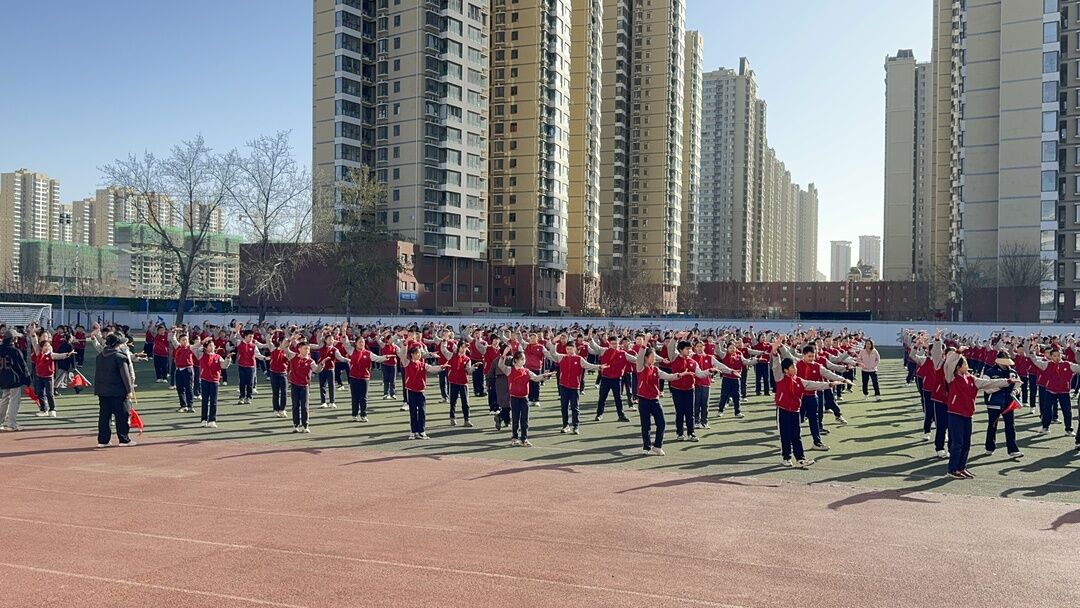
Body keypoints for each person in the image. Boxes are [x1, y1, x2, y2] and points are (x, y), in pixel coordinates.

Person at [944, 353, 1013, 479]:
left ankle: (961, 467)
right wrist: (958, 352)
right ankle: (952, 469)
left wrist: (1008, 381)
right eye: (964, 363)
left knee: (966, 443)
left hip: (968, 414)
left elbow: (990, 383)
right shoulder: (952, 378)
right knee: (957, 443)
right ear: (958, 367)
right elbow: (948, 364)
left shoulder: (972, 379)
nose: (967, 365)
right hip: (955, 414)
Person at [771, 352, 841, 468]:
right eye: (792, 367)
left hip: (795, 411)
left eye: (795, 366)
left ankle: (800, 459)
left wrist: (829, 384)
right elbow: (776, 365)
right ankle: (786, 458)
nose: (795, 369)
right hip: (783, 411)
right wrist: (775, 352)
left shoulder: (799, 381)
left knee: (797, 436)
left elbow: (814, 384)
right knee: (785, 435)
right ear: (785, 370)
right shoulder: (780, 378)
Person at [624, 346, 692, 456]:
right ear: (646, 358)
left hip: (655, 400)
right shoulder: (640, 368)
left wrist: (681, 375)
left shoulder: (656, 369)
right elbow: (640, 356)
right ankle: (646, 447)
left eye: (655, 357)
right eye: (652, 356)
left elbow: (668, 376)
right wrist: (644, 343)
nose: (654, 359)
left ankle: (657, 446)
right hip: (644, 400)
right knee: (646, 425)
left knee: (662, 423)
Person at [546, 341, 604, 434]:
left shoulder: (579, 359)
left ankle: (576, 426)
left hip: (574, 387)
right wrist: (553, 344)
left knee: (575, 407)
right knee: (564, 407)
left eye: (571, 349)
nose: (569, 351)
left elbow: (589, 366)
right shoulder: (562, 357)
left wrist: (600, 367)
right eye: (567, 349)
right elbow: (553, 353)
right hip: (563, 386)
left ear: (575, 349)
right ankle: (565, 425)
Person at [498, 351, 554, 446]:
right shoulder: (509, 370)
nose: (524, 361)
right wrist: (503, 355)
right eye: (522, 359)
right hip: (514, 398)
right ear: (516, 360)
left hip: (524, 398)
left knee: (525, 419)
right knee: (515, 419)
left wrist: (545, 376)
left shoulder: (527, 371)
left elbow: (536, 378)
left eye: (524, 359)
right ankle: (515, 438)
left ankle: (524, 439)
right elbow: (500, 365)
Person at [94, 333, 135, 448]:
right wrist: (129, 390)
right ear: (118, 344)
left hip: (102, 390)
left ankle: (103, 440)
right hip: (117, 391)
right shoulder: (120, 357)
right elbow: (125, 375)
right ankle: (124, 439)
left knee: (104, 415)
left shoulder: (100, 356)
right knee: (122, 415)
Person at [981, 350, 1023, 459]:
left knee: (1010, 426)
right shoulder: (989, 372)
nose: (1006, 364)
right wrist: (1001, 385)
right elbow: (986, 388)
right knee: (992, 425)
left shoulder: (1013, 372)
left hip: (1009, 403)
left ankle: (1013, 450)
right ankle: (989, 447)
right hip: (994, 403)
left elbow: (1018, 385)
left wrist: (1016, 392)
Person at [402, 345, 449, 440]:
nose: (419, 355)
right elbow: (403, 354)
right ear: (412, 354)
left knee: (422, 411)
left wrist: (441, 367)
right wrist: (404, 344)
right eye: (417, 353)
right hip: (411, 390)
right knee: (413, 412)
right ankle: (413, 431)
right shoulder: (407, 363)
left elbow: (432, 368)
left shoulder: (423, 364)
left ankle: (421, 431)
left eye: (420, 353)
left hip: (421, 390)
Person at [31, 337, 74, 417]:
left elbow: (59, 356)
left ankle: (52, 409)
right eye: (45, 346)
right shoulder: (38, 353)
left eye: (48, 345)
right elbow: (34, 342)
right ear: (41, 347)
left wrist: (68, 354)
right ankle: (44, 409)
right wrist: (33, 334)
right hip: (39, 376)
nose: (47, 347)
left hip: (48, 377)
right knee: (40, 393)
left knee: (50, 394)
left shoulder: (51, 355)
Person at [194, 337, 230, 428]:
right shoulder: (201, 355)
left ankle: (212, 420)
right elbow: (193, 348)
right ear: (206, 347)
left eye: (213, 346)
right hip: (205, 380)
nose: (212, 347)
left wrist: (228, 359)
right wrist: (202, 342)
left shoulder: (218, 357)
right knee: (205, 401)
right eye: (210, 345)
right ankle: (204, 419)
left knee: (213, 401)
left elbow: (224, 366)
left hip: (214, 381)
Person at [284, 336, 318, 433]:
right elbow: (284, 348)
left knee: (304, 406)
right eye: (305, 349)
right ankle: (295, 425)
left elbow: (317, 369)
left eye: (308, 349)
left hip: (305, 386)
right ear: (299, 349)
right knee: (295, 405)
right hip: (294, 385)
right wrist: (290, 339)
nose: (307, 350)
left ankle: (305, 425)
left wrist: (321, 365)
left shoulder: (310, 361)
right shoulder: (293, 356)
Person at [0, 328, 30, 432]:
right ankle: (12, 424)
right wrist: (27, 380)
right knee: (14, 401)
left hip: (3, 378)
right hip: (14, 379)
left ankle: (0, 421)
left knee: (4, 399)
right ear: (13, 339)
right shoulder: (15, 351)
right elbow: (22, 367)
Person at [441, 340, 475, 426]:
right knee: (453, 401)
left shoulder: (467, 359)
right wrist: (444, 341)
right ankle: (452, 418)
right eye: (462, 347)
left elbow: (469, 370)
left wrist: (473, 368)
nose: (463, 349)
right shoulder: (452, 355)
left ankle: (466, 420)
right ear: (458, 347)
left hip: (463, 382)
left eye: (465, 347)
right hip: (453, 382)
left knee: (465, 402)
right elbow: (444, 350)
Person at [169, 328, 196, 413]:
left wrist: (204, 341)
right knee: (180, 388)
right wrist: (174, 331)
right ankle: (183, 405)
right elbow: (173, 339)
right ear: (180, 341)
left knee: (189, 388)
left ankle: (190, 406)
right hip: (179, 369)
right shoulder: (178, 347)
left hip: (188, 369)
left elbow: (198, 345)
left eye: (186, 340)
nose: (185, 341)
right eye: (183, 340)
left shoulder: (190, 348)